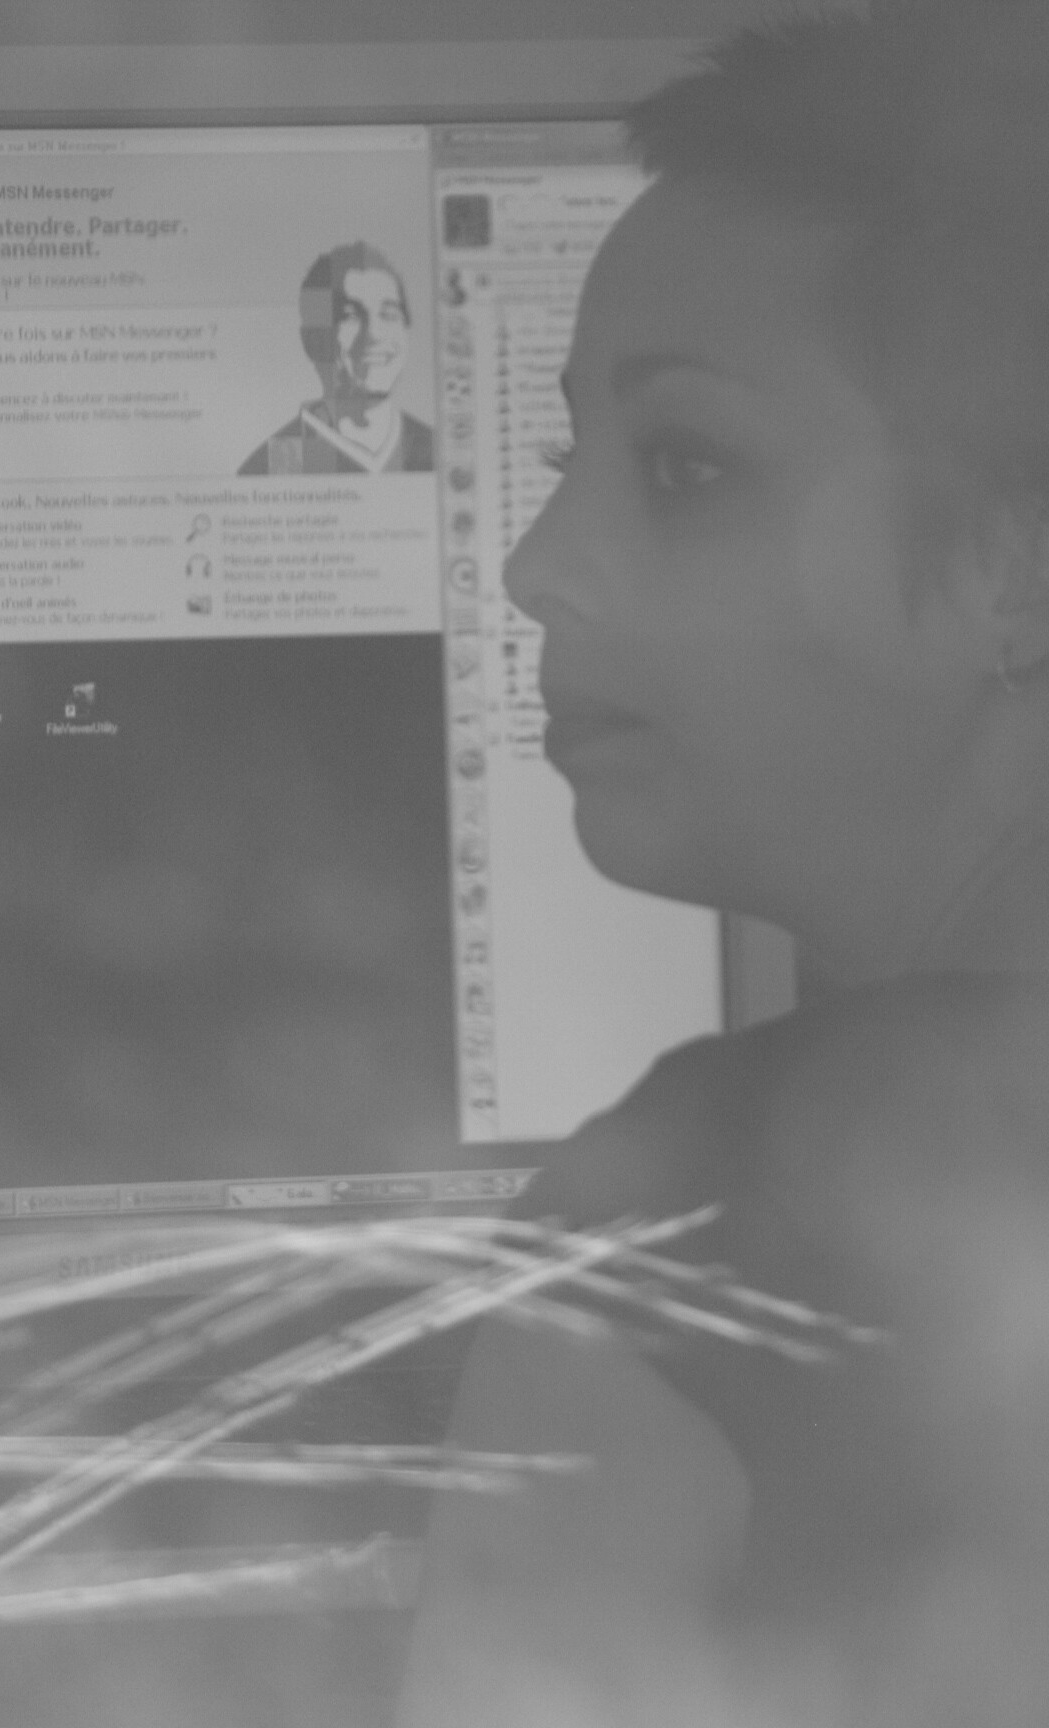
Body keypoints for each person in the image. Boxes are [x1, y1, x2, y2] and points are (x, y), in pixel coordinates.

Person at [397, 4, 1049, 1723]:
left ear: (1014, 569)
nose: (539, 565)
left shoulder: (691, 1229)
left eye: (684, 467)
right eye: (569, 461)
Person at [238, 241, 434, 476]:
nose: (374, 334)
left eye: (389, 314)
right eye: (350, 316)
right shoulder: (273, 466)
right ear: (312, 341)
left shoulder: (438, 450)